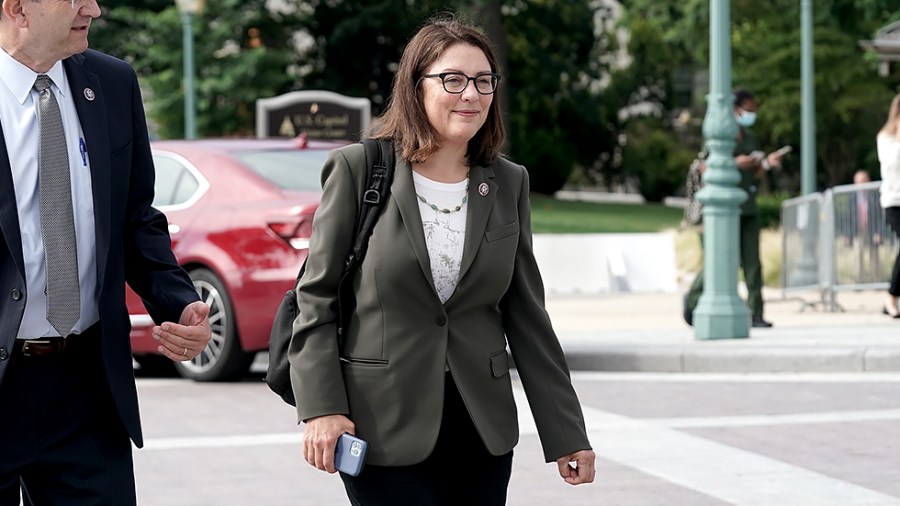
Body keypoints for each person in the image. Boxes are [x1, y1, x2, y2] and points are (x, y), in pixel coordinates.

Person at [289, 15, 595, 505]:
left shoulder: (508, 182)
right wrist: (321, 407)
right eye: (452, 79)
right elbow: (316, 299)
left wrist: (566, 432)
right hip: (382, 422)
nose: (470, 94)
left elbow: (526, 314)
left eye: (483, 80)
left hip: (482, 427)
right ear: (416, 87)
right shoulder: (358, 169)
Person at [0, 1, 212, 504]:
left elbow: (136, 218)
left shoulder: (112, 82)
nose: (93, 7)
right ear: (17, 8)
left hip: (88, 388)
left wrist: (179, 302)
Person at [683, 87, 785, 328]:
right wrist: (735, 163)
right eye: (748, 110)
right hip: (723, 208)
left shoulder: (749, 137)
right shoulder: (718, 134)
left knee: (753, 262)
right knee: (721, 258)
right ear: (735, 109)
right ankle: (693, 299)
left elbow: (756, 169)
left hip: (747, 203)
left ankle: (755, 312)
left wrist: (766, 164)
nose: (751, 114)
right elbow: (705, 167)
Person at [877, 93, 900, 318]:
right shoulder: (886, 138)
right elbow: (891, 164)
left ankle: (892, 298)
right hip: (895, 201)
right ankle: (892, 296)